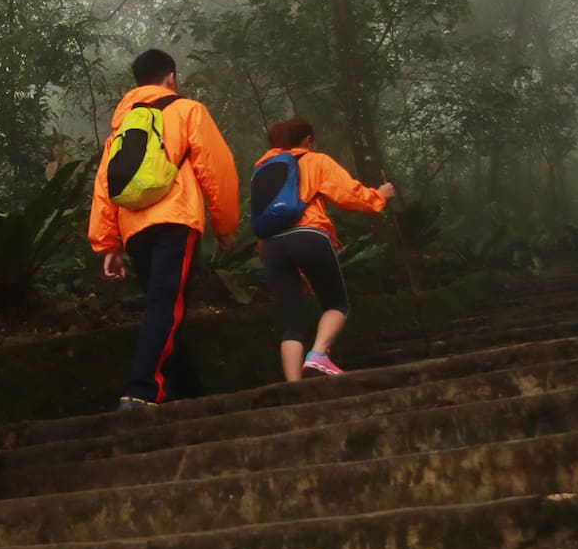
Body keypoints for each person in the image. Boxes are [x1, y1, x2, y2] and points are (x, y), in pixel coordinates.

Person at [88, 48, 240, 410]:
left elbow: (104, 186)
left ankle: (187, 391)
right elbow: (216, 170)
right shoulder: (187, 111)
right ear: (170, 77)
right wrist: (225, 225)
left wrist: (108, 243)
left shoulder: (122, 127)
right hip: (176, 220)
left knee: (167, 305)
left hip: (135, 229)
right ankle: (141, 390)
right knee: (166, 305)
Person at [251, 119, 394, 381]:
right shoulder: (315, 161)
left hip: (270, 245)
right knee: (336, 303)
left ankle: (294, 386)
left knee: (292, 322)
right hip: (308, 235)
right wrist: (380, 196)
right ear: (307, 140)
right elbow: (348, 195)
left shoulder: (261, 171)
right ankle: (318, 354)